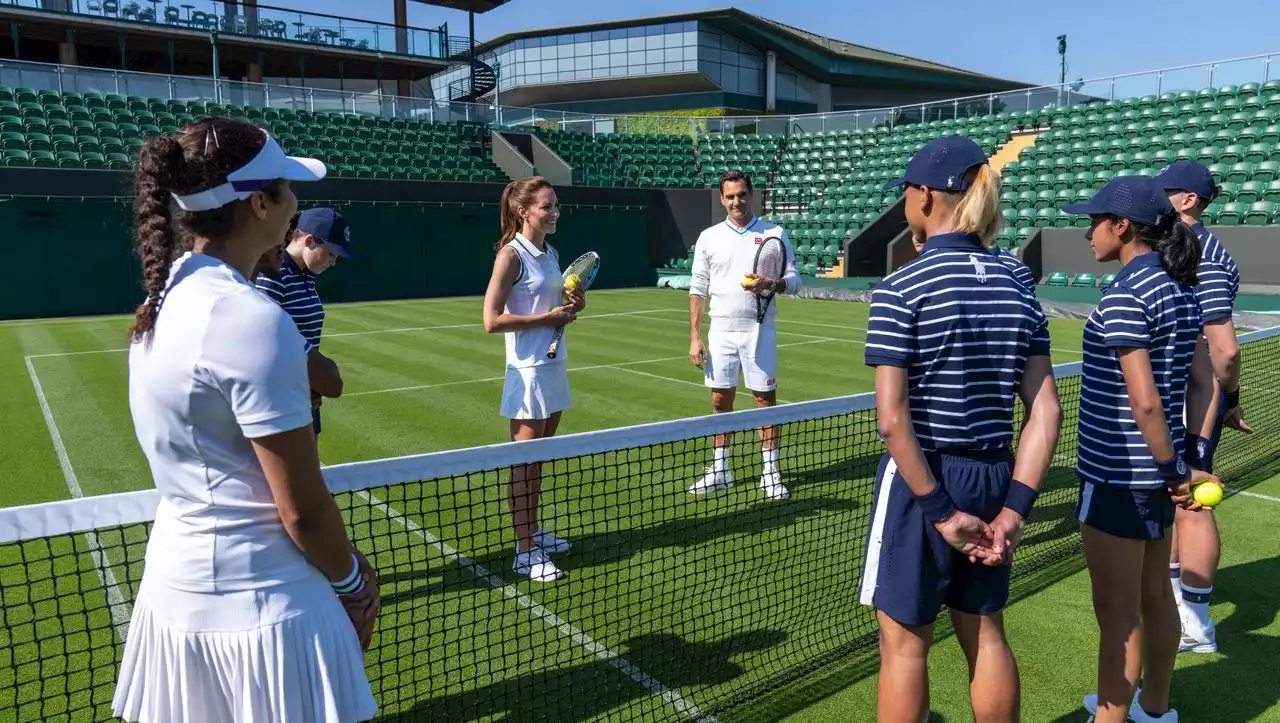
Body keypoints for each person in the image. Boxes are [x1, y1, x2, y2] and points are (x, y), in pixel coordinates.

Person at [113, 117, 379, 723]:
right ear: (259, 202)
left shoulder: (167, 293)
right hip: (266, 610)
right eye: (286, 188)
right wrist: (352, 582)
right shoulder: (250, 318)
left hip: (178, 592)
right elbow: (302, 510)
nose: (295, 204)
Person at [859, 135, 1062, 723]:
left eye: (906, 190)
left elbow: (893, 420)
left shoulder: (901, 288)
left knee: (903, 649)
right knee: (987, 633)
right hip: (995, 475)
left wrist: (942, 512)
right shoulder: (1018, 283)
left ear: (925, 195)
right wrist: (1015, 511)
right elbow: (1045, 409)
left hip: (923, 482)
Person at [1062, 175, 1221, 723]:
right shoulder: (1178, 289)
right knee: (1154, 597)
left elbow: (1147, 403)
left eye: (1093, 222)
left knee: (1118, 614)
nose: (1088, 234)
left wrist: (1177, 471)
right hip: (1156, 474)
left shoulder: (1129, 294)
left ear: (1122, 226)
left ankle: (1112, 717)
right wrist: (1192, 461)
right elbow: (1205, 381)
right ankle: (1154, 710)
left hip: (1120, 476)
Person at [1154, 161, 1249, 655]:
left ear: (1188, 200)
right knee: (1180, 502)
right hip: (1182, 396)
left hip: (1193, 400)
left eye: (1165, 190)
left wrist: (1225, 399)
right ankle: (1177, 602)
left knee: (1192, 502)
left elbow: (1224, 350)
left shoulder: (1203, 254)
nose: (1158, 197)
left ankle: (1196, 620)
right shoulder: (1178, 246)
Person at [482, 176, 585, 583]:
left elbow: (553, 303)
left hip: (554, 366)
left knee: (538, 462)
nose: (555, 211)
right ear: (523, 211)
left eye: (555, 204)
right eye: (547, 206)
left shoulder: (551, 252)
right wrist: (547, 317)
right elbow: (491, 321)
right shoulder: (510, 255)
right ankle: (524, 552)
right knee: (523, 467)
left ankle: (534, 531)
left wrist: (573, 303)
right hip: (527, 373)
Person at [687, 169, 802, 501]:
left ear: (751, 195)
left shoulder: (775, 232)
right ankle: (721, 470)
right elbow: (697, 289)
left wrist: (772, 284)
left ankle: (770, 473)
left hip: (759, 331)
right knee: (719, 401)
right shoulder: (708, 237)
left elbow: (795, 281)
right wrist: (695, 336)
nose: (737, 201)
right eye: (730, 196)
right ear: (722, 199)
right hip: (720, 331)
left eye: (742, 194)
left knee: (765, 402)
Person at [256, 206, 355, 436]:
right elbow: (259, 338)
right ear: (309, 240)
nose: (333, 262)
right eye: (331, 253)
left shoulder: (305, 275)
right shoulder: (274, 273)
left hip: (303, 395)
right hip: (278, 401)